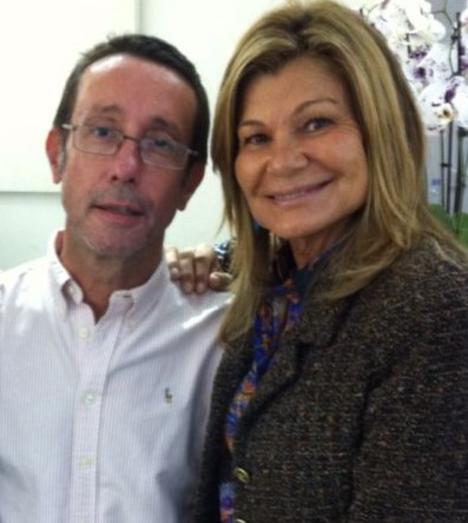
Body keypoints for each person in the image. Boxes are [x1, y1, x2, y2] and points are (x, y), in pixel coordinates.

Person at [191, 1, 468, 521]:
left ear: (380, 130)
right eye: (256, 138)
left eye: (316, 123)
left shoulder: (433, 309)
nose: (283, 162)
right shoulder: (276, 288)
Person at [0, 34, 230, 523]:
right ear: (57, 154)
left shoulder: (223, 338)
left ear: (189, 183)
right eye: (103, 132)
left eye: (160, 143)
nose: (126, 168)